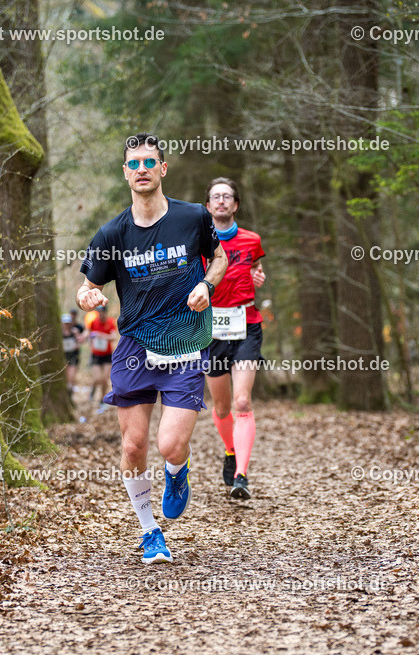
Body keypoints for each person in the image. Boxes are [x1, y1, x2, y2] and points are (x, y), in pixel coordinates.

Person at [77, 133, 228, 563]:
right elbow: (87, 288)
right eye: (134, 163)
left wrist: (206, 283)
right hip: (135, 347)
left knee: (170, 446)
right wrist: (87, 296)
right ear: (126, 173)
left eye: (150, 161)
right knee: (132, 446)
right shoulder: (111, 233)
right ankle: (150, 532)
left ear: (162, 169)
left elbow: (219, 257)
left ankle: (178, 473)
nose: (141, 168)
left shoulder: (193, 217)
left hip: (183, 345)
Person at [203, 177, 266, 500]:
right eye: (216, 197)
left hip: (246, 324)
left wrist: (258, 276)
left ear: (236, 204)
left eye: (227, 196)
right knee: (223, 405)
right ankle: (230, 450)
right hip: (211, 329)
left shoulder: (251, 240)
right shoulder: (198, 242)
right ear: (209, 206)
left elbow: (254, 268)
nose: (222, 201)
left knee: (242, 401)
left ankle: (241, 474)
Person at [87, 305, 118, 413]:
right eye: (98, 312)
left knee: (105, 379)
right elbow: (88, 333)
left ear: (105, 312)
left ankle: (102, 399)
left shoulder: (110, 322)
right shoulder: (94, 322)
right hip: (96, 354)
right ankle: (93, 389)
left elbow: (114, 337)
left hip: (107, 354)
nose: (99, 314)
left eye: (101, 312)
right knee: (97, 378)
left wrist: (102, 335)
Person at [61, 313, 86, 397]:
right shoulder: (59, 334)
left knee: (71, 377)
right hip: (63, 357)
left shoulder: (74, 332)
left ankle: (70, 393)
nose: (66, 325)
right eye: (65, 323)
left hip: (73, 357)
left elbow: (81, 341)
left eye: (68, 323)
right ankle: (66, 393)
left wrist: (77, 341)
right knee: (64, 376)